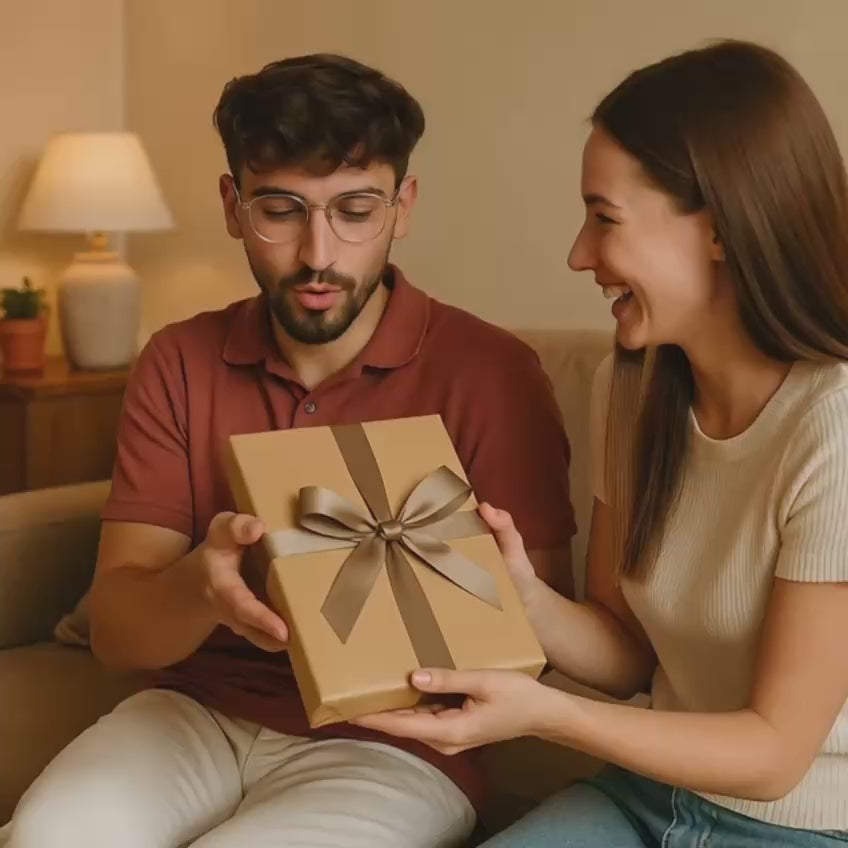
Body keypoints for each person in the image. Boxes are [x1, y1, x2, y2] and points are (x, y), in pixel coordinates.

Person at [5, 54, 576, 848]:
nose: (318, 254)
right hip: (195, 712)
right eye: (281, 210)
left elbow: (534, 643)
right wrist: (202, 589)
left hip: (395, 746)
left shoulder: (492, 372)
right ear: (232, 206)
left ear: (402, 206)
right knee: (49, 836)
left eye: (354, 210)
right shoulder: (179, 361)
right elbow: (117, 635)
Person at [355, 40, 848, 846]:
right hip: (646, 799)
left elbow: (774, 754)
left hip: (802, 829)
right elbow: (626, 651)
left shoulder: (833, 427)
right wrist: (523, 597)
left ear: (720, 229)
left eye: (604, 218)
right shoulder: (631, 387)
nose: (579, 254)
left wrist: (548, 714)